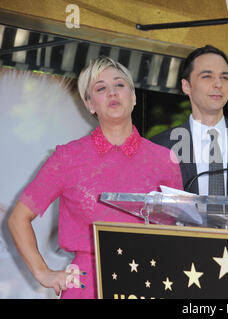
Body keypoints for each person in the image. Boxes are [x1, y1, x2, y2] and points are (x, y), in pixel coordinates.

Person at [8, 56, 183, 299]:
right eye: (101, 88)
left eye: (120, 85)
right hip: (86, 287)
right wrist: (44, 273)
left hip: (146, 281)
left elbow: (178, 235)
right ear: (90, 104)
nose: (112, 92)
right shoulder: (67, 157)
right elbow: (18, 219)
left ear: (132, 97)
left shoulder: (165, 160)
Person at [151, 45, 228, 197]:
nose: (218, 84)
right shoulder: (161, 146)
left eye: (224, 77)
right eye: (207, 76)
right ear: (186, 86)